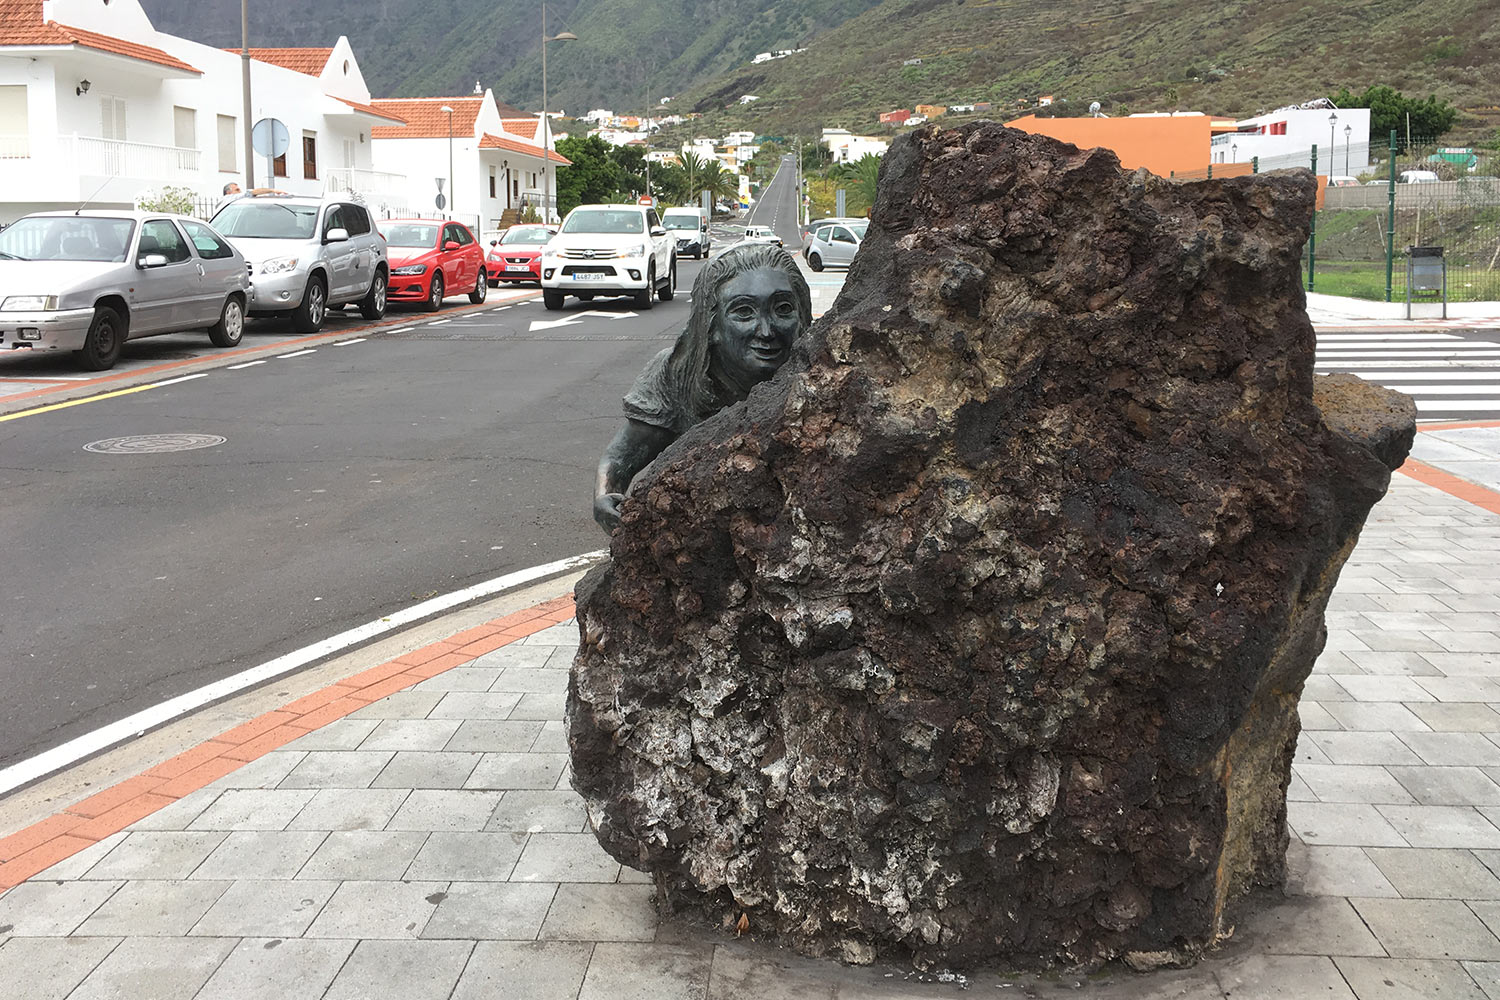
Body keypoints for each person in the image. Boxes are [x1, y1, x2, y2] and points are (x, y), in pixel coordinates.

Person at [593, 243, 812, 533]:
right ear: (712, 325)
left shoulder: (822, 371)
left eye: (782, 309)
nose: (766, 331)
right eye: (744, 312)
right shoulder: (676, 374)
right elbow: (621, 457)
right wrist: (604, 495)